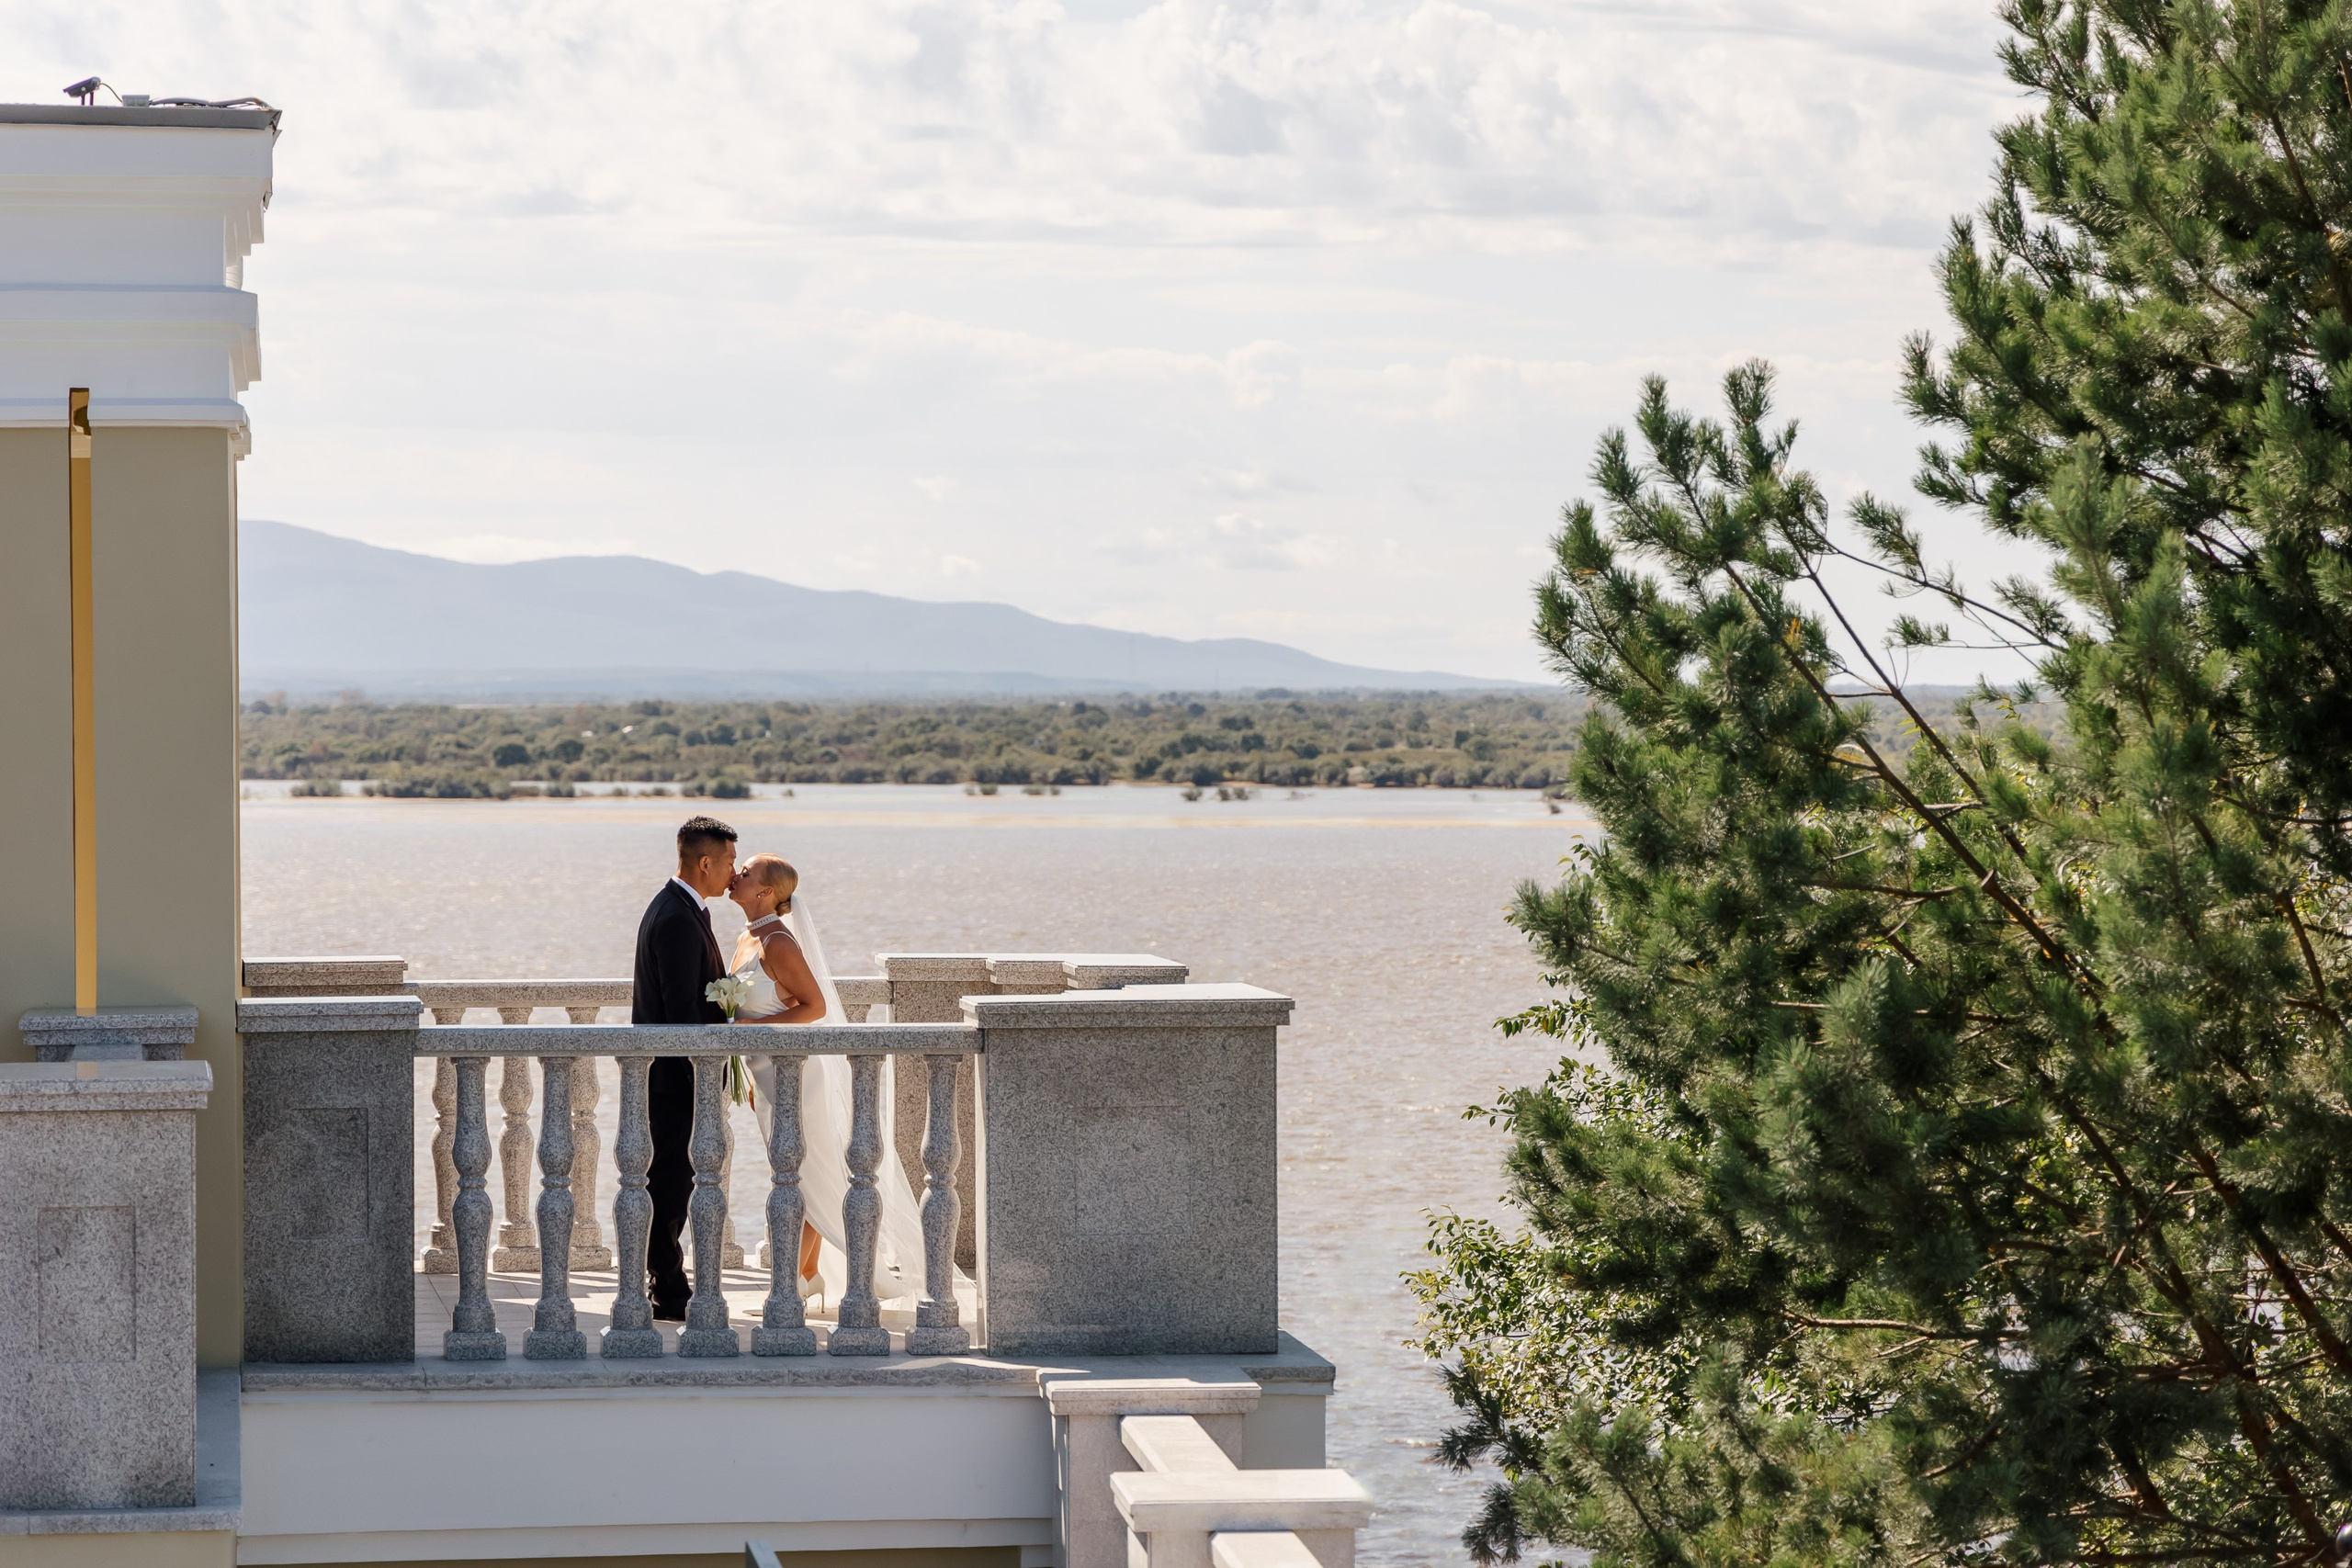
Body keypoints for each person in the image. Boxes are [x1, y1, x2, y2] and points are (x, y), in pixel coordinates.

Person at [721, 852, 945, 1309]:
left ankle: (793, 1283)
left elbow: (815, 1008)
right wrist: (742, 1062)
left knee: (805, 1177)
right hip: (763, 1074)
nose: (735, 875)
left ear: (765, 891)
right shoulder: (747, 936)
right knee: (800, 1173)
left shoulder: (780, 943)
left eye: (745, 873)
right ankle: (805, 1275)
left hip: (797, 1077)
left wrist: (753, 1033)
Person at [630, 815, 737, 1320]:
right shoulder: (675, 917)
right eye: (730, 862)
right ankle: (667, 1290)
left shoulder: (680, 908)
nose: (732, 872)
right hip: (675, 1079)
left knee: (673, 1181)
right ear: (705, 862)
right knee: (670, 1184)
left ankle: (666, 1283)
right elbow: (679, 1015)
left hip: (676, 1077)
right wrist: (703, 1079)